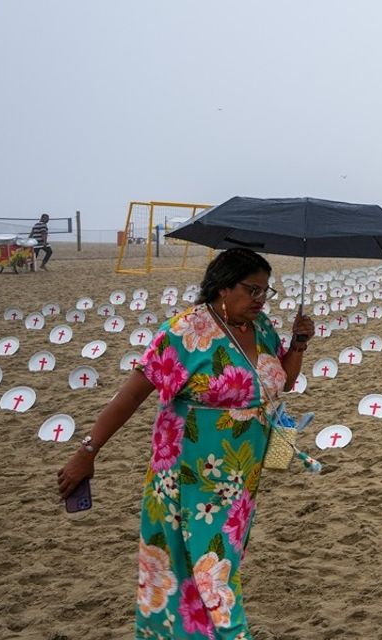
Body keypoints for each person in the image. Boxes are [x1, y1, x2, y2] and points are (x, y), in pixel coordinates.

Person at [57, 248, 313, 638]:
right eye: (252, 290)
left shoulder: (261, 330)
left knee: (218, 562)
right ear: (224, 287)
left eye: (266, 292)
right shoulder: (183, 332)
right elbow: (129, 397)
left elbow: (283, 381)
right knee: (206, 565)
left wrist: (297, 344)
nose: (260, 300)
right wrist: (87, 452)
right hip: (187, 475)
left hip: (239, 479)